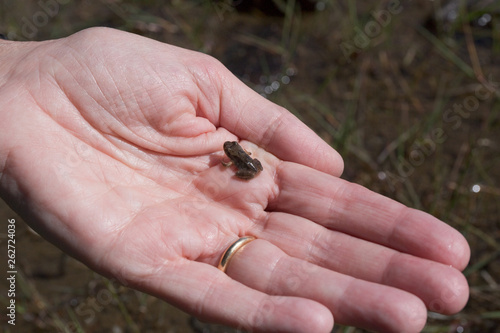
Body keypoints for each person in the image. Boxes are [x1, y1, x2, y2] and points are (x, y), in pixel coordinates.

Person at [0, 27, 470, 333]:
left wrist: (17, 72)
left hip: (250, 169)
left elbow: (240, 161)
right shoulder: (229, 153)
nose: (225, 150)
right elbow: (231, 157)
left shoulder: (236, 156)